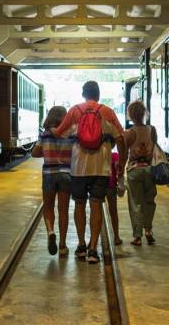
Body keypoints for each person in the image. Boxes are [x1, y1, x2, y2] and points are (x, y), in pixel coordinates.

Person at [52, 81, 127, 264]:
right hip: (101, 167)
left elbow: (59, 133)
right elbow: (121, 138)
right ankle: (93, 249)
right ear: (98, 94)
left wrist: (50, 128)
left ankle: (81, 245)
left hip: (79, 167)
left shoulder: (75, 111)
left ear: (83, 94)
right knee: (96, 204)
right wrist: (121, 165)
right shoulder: (107, 111)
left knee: (79, 204)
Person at [32, 106, 74, 257]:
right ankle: (63, 245)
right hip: (66, 174)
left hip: (49, 174)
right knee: (63, 211)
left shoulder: (44, 134)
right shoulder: (70, 134)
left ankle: (50, 232)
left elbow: (35, 153)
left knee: (48, 207)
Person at [124, 100, 157, 246]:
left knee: (135, 203)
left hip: (134, 171)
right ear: (145, 113)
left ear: (130, 115)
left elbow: (124, 153)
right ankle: (148, 230)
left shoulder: (130, 133)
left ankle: (137, 237)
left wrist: (120, 170)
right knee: (149, 201)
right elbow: (155, 148)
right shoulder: (152, 130)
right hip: (150, 170)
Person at [107, 151, 124, 246]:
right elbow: (118, 167)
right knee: (113, 212)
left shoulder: (97, 153)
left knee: (97, 212)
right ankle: (116, 237)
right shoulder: (114, 155)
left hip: (99, 185)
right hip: (111, 185)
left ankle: (93, 239)